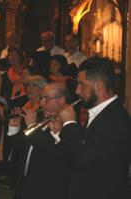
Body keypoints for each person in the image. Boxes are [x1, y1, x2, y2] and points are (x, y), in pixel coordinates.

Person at [59, 57, 131, 199]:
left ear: (98, 85)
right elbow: (84, 146)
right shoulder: (101, 111)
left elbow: (81, 159)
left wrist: (69, 124)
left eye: (82, 85)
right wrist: (58, 131)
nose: (78, 91)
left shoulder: (114, 118)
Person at [8, 82, 70, 199]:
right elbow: (21, 146)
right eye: (41, 98)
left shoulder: (68, 125)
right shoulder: (40, 118)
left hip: (46, 189)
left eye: (46, 98)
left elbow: (50, 151)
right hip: (25, 184)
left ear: (61, 100)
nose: (41, 102)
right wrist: (14, 127)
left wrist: (31, 124)